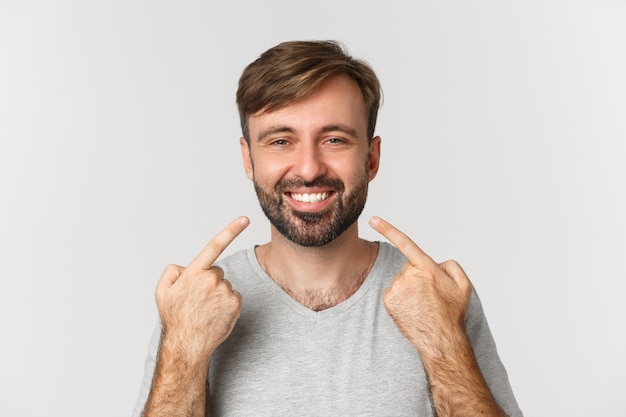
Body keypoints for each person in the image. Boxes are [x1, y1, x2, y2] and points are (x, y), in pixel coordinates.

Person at [132, 40, 523, 417]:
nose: (308, 168)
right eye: (281, 140)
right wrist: (183, 350)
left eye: (334, 139)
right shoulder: (193, 303)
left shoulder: (438, 296)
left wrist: (444, 344)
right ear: (248, 159)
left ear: (371, 158)